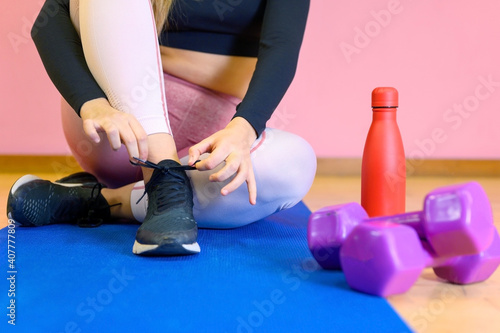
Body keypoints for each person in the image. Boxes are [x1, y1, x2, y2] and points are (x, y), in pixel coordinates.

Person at [7, 0, 316, 256]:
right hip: (119, 129)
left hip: (208, 143)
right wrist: (92, 104)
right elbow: (49, 20)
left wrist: (243, 129)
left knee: (296, 164)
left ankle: (106, 201)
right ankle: (162, 175)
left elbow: (282, 46)